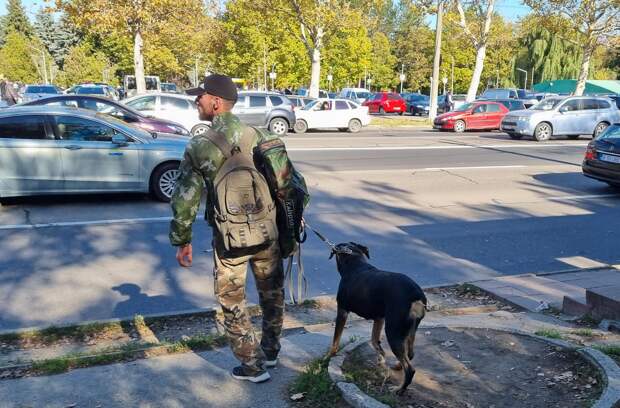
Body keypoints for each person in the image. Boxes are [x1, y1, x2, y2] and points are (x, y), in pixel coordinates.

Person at [170, 74, 285, 384]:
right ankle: (271, 351)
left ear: (216, 103)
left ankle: (252, 366)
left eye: (201, 96)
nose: (197, 100)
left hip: (230, 238)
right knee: (272, 294)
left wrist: (182, 239)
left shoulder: (199, 145)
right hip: (267, 233)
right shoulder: (259, 136)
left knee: (232, 301)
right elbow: (288, 184)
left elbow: (185, 196)